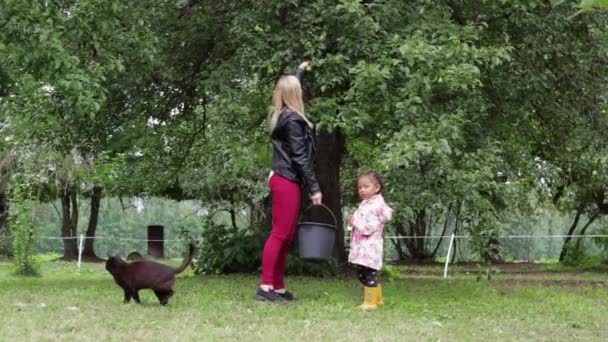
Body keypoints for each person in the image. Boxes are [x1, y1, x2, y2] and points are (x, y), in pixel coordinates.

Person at [256, 61, 323, 302]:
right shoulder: (293, 120)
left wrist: (300, 71)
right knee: (280, 234)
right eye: (299, 89)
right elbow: (300, 157)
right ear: (295, 94)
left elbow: (290, 86)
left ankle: (278, 287)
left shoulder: (283, 114)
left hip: (284, 178)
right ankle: (265, 288)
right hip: (286, 179)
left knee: (286, 235)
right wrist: (315, 188)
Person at [347, 171, 393, 310]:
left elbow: (368, 228)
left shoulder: (374, 207)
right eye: (360, 187)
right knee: (364, 275)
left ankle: (370, 302)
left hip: (369, 248)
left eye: (366, 186)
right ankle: (377, 299)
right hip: (364, 247)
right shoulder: (366, 204)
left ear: (376, 187)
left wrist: (354, 221)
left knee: (368, 275)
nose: (362, 190)